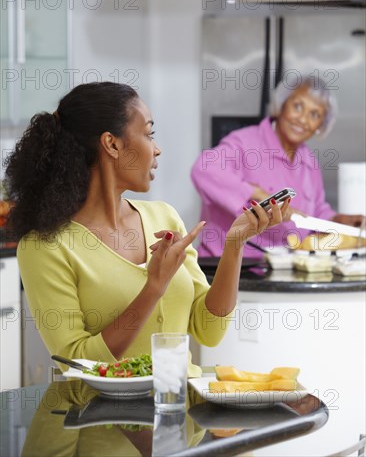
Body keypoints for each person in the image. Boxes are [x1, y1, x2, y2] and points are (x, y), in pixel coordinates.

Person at [5, 82, 290, 376]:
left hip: (178, 408)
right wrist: (153, 287)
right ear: (112, 144)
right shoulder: (45, 246)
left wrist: (235, 244)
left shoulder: (163, 217)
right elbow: (77, 361)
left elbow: (209, 330)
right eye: (148, 133)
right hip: (100, 419)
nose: (157, 149)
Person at [191, 76, 364, 258]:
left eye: (314, 114)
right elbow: (203, 168)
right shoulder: (245, 142)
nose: (303, 119)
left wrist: (337, 220)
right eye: (297, 106)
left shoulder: (309, 161)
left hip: (282, 268)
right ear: (281, 105)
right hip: (228, 268)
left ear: (320, 126)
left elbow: (316, 211)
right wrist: (260, 195)